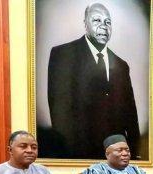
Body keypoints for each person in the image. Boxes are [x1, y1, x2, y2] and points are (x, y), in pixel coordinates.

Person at [45, 3, 140, 159]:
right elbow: (59, 110)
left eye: (108, 22)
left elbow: (130, 115)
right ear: (85, 24)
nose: (103, 26)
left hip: (115, 158)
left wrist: (134, 153)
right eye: (97, 20)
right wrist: (70, 156)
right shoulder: (63, 54)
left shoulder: (121, 65)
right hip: (77, 154)